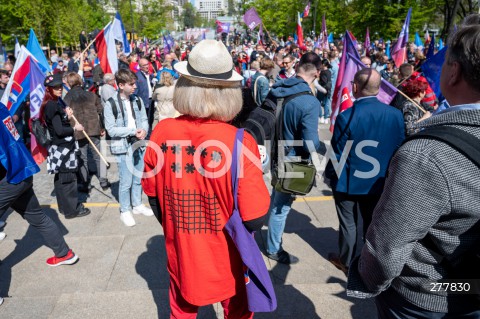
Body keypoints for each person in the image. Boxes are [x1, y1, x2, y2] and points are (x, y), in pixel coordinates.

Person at [347, 20, 480, 318]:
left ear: (454, 71)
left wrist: (365, 280)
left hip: (428, 296)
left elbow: (386, 250)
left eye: (444, 61)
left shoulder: (426, 154)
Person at [142, 39, 270, 319]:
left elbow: (153, 197)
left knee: (182, 310)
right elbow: (255, 216)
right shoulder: (240, 141)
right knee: (236, 310)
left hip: (182, 249)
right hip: (228, 255)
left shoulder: (162, 132)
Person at [326, 68, 405, 274]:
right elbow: (399, 149)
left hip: (348, 182)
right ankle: (370, 262)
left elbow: (338, 153)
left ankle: (347, 261)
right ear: (378, 88)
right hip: (379, 181)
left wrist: (330, 175)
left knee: (348, 225)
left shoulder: (347, 116)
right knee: (372, 225)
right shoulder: (395, 115)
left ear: (354, 87)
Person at [0, 103, 79, 271]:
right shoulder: (1, 107)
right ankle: (64, 253)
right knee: (38, 217)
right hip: (21, 171)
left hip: (8, 177)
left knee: (38, 216)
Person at [266, 62, 325, 264]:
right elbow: (310, 144)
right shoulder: (309, 102)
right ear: (316, 74)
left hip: (274, 151)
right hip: (292, 158)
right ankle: (273, 249)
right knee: (281, 208)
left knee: (276, 199)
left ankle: (272, 242)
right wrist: (322, 148)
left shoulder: (277, 89)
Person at [103, 69, 153, 227]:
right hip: (122, 146)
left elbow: (144, 118)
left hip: (137, 143)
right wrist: (132, 131)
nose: (135, 87)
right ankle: (125, 210)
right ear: (121, 85)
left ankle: (137, 204)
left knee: (138, 176)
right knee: (126, 181)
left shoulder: (137, 100)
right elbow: (111, 129)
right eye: (131, 84)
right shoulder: (111, 104)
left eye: (134, 83)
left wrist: (144, 130)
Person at [41, 74, 91, 219]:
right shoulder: (52, 105)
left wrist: (67, 117)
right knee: (68, 179)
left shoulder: (56, 103)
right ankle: (71, 210)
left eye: (59, 87)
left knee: (61, 179)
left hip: (61, 146)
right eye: (55, 88)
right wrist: (76, 128)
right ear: (49, 90)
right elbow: (59, 130)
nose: (59, 90)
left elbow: (59, 124)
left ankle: (65, 207)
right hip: (62, 148)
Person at [63, 72, 110, 192]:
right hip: (93, 129)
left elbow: (65, 117)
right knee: (98, 156)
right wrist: (102, 127)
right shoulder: (91, 95)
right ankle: (103, 182)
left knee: (83, 158)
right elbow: (101, 111)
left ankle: (85, 184)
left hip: (79, 132)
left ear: (69, 84)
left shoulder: (67, 98)